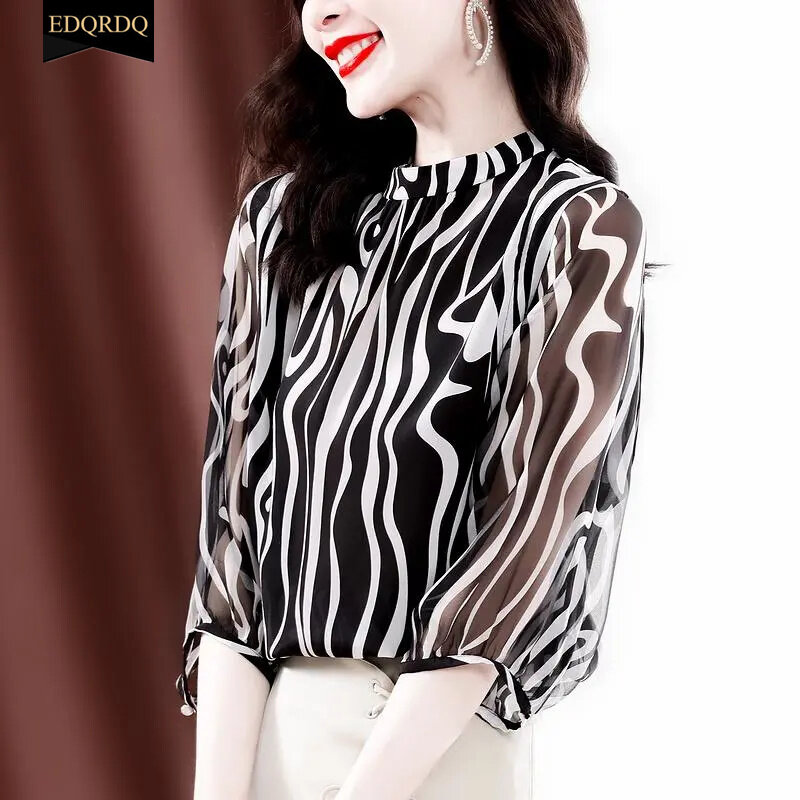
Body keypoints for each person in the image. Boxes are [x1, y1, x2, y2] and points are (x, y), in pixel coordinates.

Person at [177, 1, 652, 798]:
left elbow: (519, 548)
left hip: (438, 759)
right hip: (271, 745)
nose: (322, 14)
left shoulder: (578, 227)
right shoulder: (283, 223)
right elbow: (231, 554)